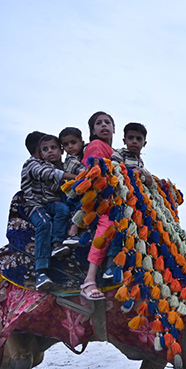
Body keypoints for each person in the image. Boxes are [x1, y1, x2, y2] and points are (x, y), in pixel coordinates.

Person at [21, 132, 79, 290]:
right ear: (39, 150)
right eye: (45, 148)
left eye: (54, 148)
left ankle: (57, 243)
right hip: (35, 205)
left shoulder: (57, 165)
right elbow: (47, 175)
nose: (50, 151)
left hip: (51, 204)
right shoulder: (33, 164)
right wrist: (76, 177)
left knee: (65, 209)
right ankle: (41, 271)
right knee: (44, 223)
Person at [78, 112, 116, 301]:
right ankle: (89, 279)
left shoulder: (116, 152)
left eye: (107, 122)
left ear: (114, 129)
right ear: (93, 131)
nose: (103, 125)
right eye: (98, 123)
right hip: (99, 201)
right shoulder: (96, 146)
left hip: (115, 200)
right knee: (108, 223)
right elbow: (97, 176)